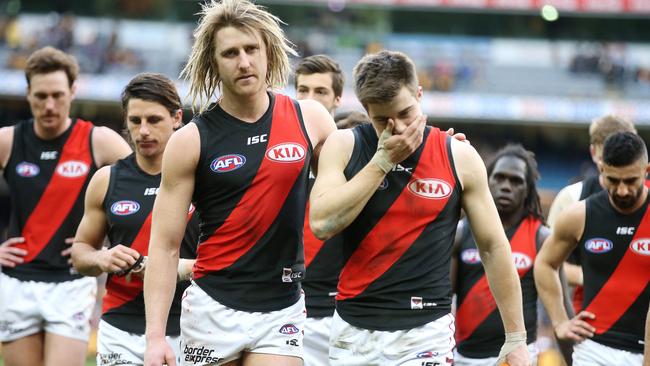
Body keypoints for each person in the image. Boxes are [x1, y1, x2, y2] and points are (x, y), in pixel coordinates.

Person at [143, 1, 336, 365]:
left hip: (283, 308)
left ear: (268, 51)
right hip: (213, 307)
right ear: (213, 62)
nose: (244, 62)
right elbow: (165, 247)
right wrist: (155, 338)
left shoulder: (310, 119)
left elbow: (354, 185)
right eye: (230, 53)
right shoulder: (190, 141)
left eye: (251, 49)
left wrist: (430, 148)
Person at [309, 50, 529, 366]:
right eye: (383, 120)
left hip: (425, 333)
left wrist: (516, 338)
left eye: (406, 113)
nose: (397, 128)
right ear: (365, 108)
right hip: (352, 330)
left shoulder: (459, 156)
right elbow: (322, 223)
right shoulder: (344, 145)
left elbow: (493, 247)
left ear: (419, 94)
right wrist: (382, 161)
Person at [0, 46, 131, 366]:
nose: (49, 105)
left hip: (72, 282)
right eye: (40, 95)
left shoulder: (98, 140)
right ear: (28, 93)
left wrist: (105, 245)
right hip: (17, 281)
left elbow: (147, 190)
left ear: (73, 91)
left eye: (57, 95)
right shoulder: (7, 141)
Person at [71, 73, 198, 366]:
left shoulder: (202, 179)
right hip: (121, 324)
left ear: (177, 117)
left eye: (153, 120)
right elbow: (80, 253)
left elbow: (225, 255)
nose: (142, 131)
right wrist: (102, 259)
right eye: (135, 120)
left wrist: (171, 267)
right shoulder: (107, 180)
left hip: (191, 324)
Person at [535, 131, 649, 365]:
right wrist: (560, 322)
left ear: (646, 171)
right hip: (594, 349)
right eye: (613, 180)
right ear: (602, 171)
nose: (622, 191)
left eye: (630, 181)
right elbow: (545, 263)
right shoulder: (580, 215)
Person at [295, 54, 369, 366]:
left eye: (321, 92)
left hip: (349, 317)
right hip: (288, 315)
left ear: (338, 98)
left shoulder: (361, 157)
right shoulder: (278, 159)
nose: (310, 100)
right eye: (303, 91)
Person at [452, 144, 549, 365]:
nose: (506, 186)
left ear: (528, 190)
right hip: (465, 355)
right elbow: (444, 297)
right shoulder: (460, 233)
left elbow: (556, 302)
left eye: (516, 181)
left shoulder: (541, 238)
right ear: (488, 182)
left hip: (517, 355)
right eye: (499, 178)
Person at [547, 115, 637, 307]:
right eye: (613, 151)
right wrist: (590, 277)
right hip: (590, 317)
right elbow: (545, 259)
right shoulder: (572, 197)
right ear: (595, 153)